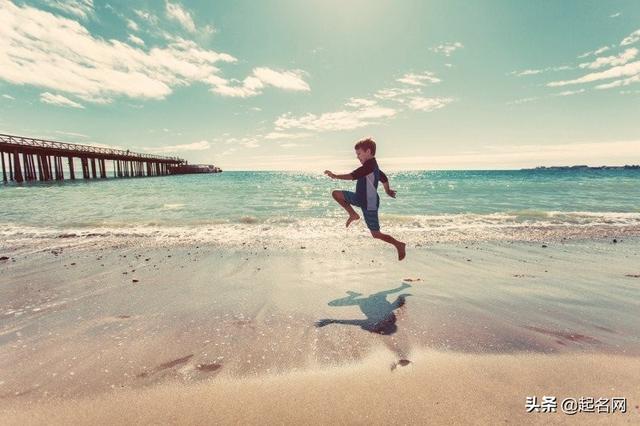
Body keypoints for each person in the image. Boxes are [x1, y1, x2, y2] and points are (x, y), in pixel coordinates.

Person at [324, 138, 406, 261]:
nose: (357, 157)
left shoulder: (370, 166)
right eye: (357, 154)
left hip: (369, 203)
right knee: (336, 194)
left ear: (368, 151)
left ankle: (399, 244)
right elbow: (383, 178)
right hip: (359, 198)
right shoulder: (372, 166)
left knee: (376, 234)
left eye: (359, 154)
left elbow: (353, 175)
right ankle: (353, 214)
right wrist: (387, 190)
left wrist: (335, 176)